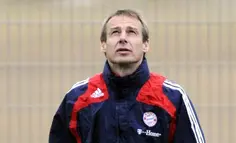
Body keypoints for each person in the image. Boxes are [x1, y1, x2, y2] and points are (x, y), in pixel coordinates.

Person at [49, 9, 206, 143]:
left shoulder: (173, 98)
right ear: (103, 44)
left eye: (131, 32)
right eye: (115, 32)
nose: (123, 38)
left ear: (145, 45)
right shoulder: (77, 99)